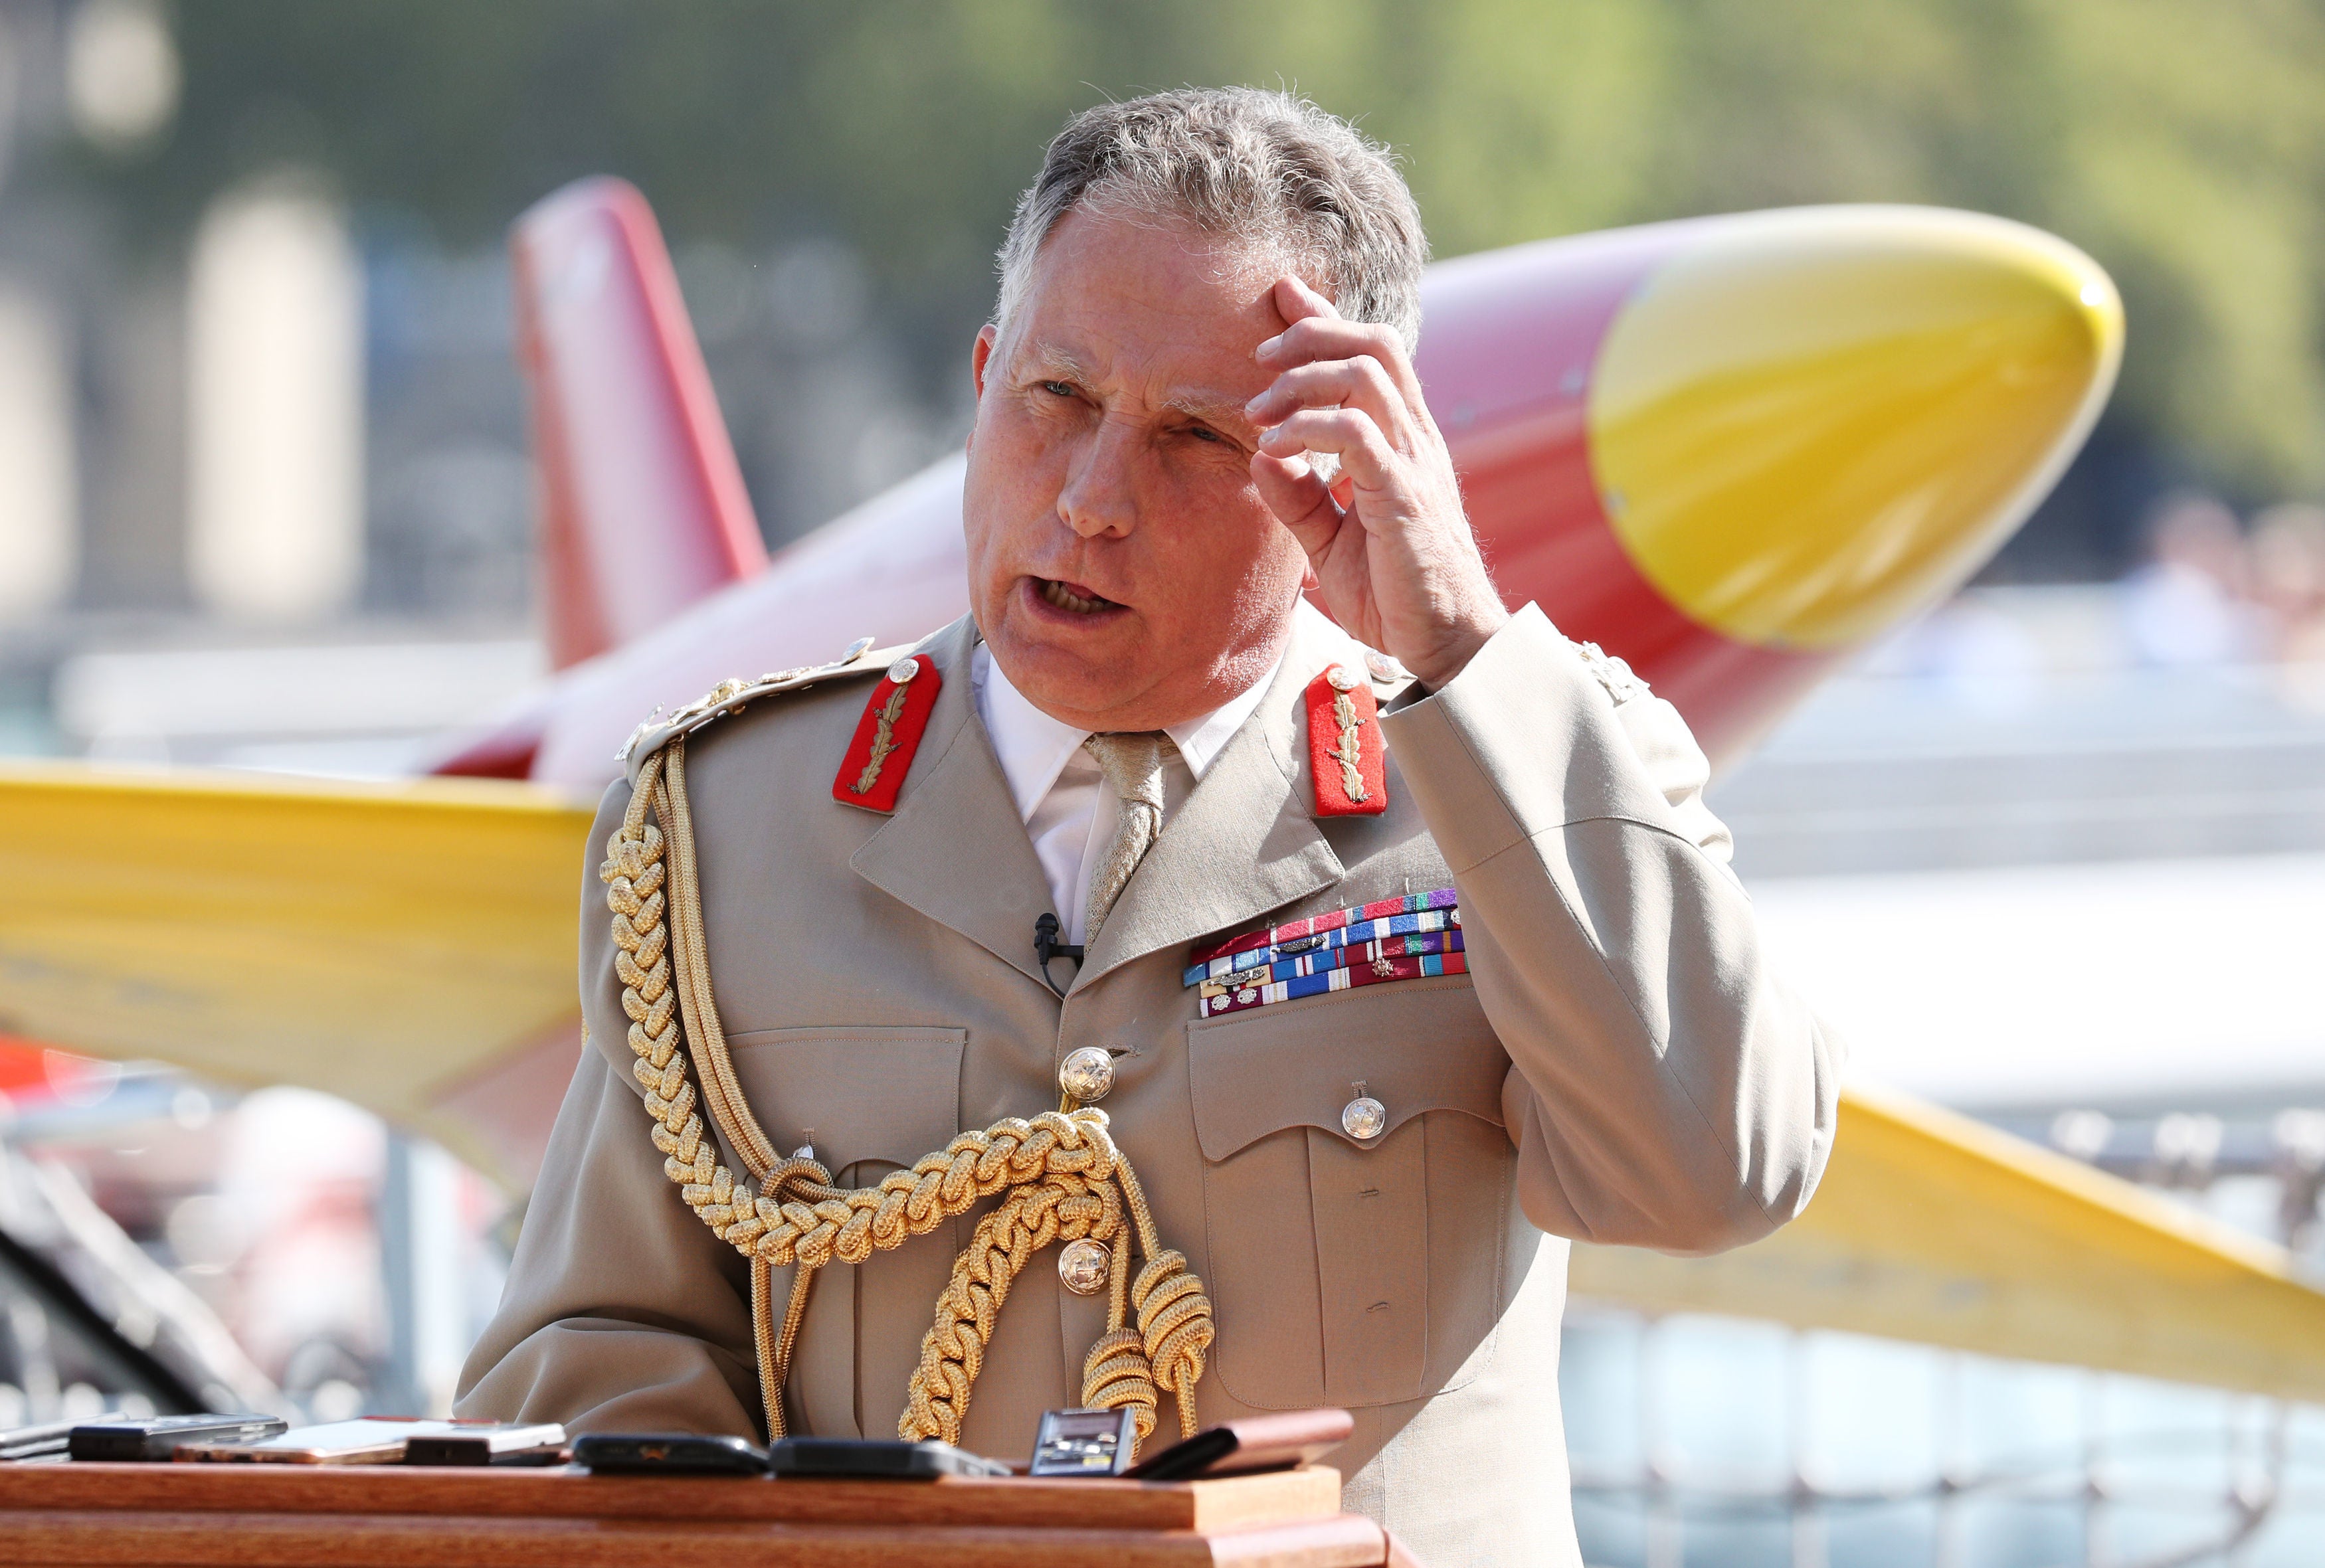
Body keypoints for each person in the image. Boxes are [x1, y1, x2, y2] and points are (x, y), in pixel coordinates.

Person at [456, 87, 1839, 1567]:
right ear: (982, 384)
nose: (1093, 500)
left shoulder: (1507, 770)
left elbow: (1718, 1170)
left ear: (1333, 477)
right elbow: (599, 1358)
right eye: (1053, 401)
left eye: (1192, 436)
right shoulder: (734, 822)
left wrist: (1464, 656)